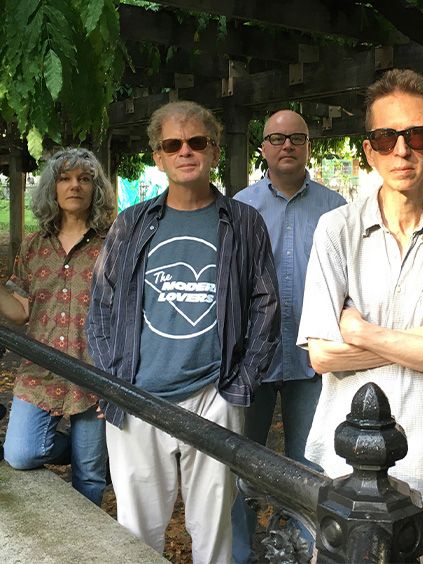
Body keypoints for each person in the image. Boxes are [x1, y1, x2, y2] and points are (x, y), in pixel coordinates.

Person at [297, 69, 423, 563]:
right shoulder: (336, 230)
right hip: (349, 478)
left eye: (416, 136)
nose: (402, 151)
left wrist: (362, 332)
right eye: (386, 138)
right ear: (369, 150)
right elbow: (322, 355)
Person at [87, 100, 280, 563]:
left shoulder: (243, 223)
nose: (185, 151)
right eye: (172, 144)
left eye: (196, 141)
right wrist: (114, 385)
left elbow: (266, 306)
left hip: (213, 395)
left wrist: (239, 386)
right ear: (158, 156)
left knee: (213, 533)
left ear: (214, 150)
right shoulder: (132, 224)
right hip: (138, 396)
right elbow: (101, 307)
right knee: (136, 534)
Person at [231, 110, 346, 561]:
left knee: (310, 467)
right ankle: (240, 553)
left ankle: (304, 551)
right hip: (252, 361)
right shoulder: (240, 206)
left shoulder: (336, 207)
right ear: (262, 148)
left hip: (313, 360)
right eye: (277, 138)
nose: (287, 146)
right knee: (240, 463)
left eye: (297, 138)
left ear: (309, 146)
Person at [0, 148, 115, 505]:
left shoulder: (113, 244)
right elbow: (20, 311)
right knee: (21, 453)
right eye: (65, 178)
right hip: (40, 372)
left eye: (84, 179)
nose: (74, 185)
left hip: (93, 373)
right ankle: (74, 451)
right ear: (53, 187)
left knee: (89, 476)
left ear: (96, 188)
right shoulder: (34, 245)